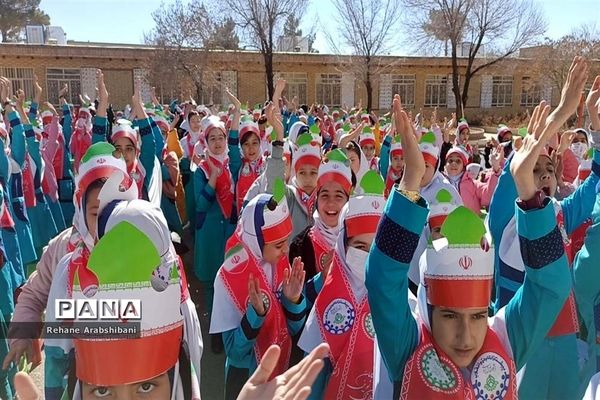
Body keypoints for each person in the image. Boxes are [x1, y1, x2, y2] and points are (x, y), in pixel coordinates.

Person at [366, 94, 572, 399]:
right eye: (449, 315)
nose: (466, 336)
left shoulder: (505, 340)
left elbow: (550, 287)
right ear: (428, 308)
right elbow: (382, 279)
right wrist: (410, 179)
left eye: (477, 316)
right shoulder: (408, 349)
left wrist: (528, 190)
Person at [489, 57, 598, 399]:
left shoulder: (562, 213)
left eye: (549, 168)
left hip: (564, 339)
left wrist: (596, 126)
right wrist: (558, 115)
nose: (544, 175)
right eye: (535, 170)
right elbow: (515, 176)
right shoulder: (506, 222)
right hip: (520, 344)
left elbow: (597, 179)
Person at [210, 180, 308, 400]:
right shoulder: (228, 277)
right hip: (246, 381)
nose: (286, 250)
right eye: (278, 244)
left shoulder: (280, 262)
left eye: (287, 241)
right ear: (256, 240)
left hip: (283, 374)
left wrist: (293, 300)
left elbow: (294, 330)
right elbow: (235, 353)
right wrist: (256, 315)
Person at [298, 170, 386, 400]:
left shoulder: (402, 301)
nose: (367, 256)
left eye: (374, 248)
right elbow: (312, 382)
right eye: (359, 246)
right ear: (343, 248)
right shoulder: (326, 300)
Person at [288, 148, 352, 281]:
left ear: (348, 200)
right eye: (325, 195)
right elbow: (295, 296)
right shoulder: (300, 246)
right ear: (317, 199)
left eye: (338, 196)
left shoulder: (359, 241)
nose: (331, 203)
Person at [442, 144, 502, 214]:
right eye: (450, 160)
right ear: (445, 164)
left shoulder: (473, 184)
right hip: (446, 224)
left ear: (463, 166)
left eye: (458, 161)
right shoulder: (439, 183)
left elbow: (488, 197)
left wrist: (495, 168)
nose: (454, 163)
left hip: (470, 224)